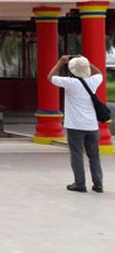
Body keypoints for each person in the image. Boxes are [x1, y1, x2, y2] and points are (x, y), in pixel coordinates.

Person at [47, 54, 104, 193]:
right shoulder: (93, 81)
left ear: (73, 70)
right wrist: (86, 62)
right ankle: (98, 184)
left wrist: (61, 62)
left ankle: (80, 184)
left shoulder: (70, 83)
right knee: (94, 156)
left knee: (77, 154)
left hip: (74, 125)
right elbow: (100, 73)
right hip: (92, 125)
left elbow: (50, 77)